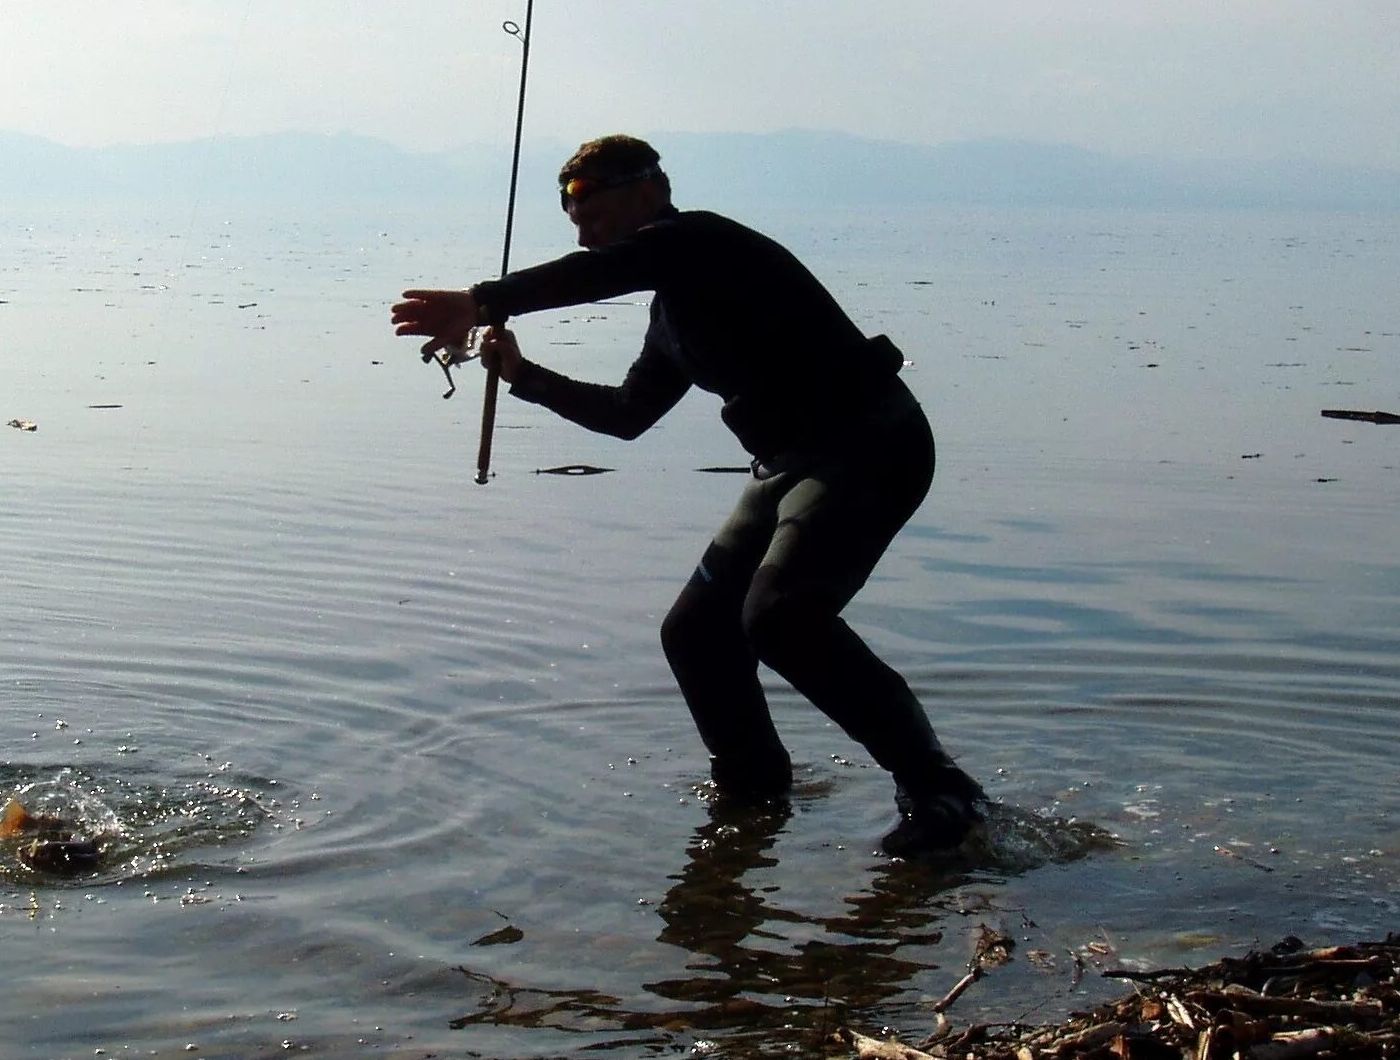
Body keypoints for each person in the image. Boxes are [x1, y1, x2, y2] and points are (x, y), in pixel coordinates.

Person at [390, 134, 988, 858]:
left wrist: (482, 300)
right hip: (786, 464)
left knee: (781, 617)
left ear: (649, 188)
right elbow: (628, 416)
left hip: (870, 442)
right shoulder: (671, 314)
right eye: (567, 211)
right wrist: (522, 375)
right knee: (695, 633)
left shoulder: (699, 241)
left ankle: (939, 788)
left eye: (589, 203)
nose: (580, 226)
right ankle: (755, 789)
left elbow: (603, 272)